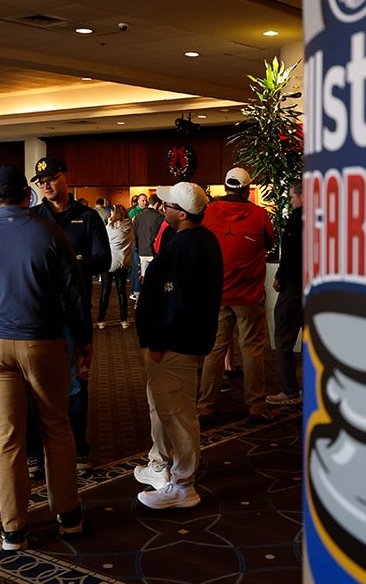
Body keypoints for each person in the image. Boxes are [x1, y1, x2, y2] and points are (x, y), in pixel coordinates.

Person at [0, 165, 89, 551]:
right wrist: (83, 340)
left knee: (6, 438)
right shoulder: (50, 232)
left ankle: (13, 527)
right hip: (43, 342)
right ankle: (68, 514)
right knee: (57, 428)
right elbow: (74, 293)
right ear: (27, 197)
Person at [134, 182, 223, 509]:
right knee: (167, 409)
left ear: (182, 213)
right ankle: (168, 471)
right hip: (180, 343)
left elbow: (174, 302)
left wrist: (157, 343)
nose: (161, 206)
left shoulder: (187, 246)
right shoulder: (198, 240)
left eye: (167, 204)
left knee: (179, 414)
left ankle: (183, 485)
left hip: (174, 345)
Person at [27, 156, 110, 477]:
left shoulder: (87, 217)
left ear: (65, 178)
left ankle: (78, 447)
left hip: (74, 313)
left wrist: (71, 265)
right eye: (40, 181)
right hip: (38, 314)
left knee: (77, 385)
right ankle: (35, 450)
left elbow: (103, 260)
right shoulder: (33, 217)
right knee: (34, 385)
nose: (46, 185)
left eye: (51, 178)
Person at [196, 168, 276, 422]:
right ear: (246, 190)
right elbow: (269, 244)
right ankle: (256, 406)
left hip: (215, 294)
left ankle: (205, 405)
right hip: (249, 295)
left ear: (225, 187)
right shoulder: (259, 215)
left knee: (214, 350)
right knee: (252, 349)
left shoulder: (207, 213)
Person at [267, 180, 304, 406]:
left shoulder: (296, 220)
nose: (290, 202)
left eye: (292, 197)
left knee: (283, 339)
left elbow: (290, 254)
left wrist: (279, 276)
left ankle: (289, 390)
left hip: (293, 286)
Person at [97, 204, 134, 329]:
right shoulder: (129, 227)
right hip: (124, 263)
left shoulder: (111, 228)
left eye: (112, 213)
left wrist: (108, 224)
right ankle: (124, 320)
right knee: (122, 292)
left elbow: (103, 241)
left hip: (110, 263)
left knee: (105, 291)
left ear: (115, 214)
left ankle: (101, 320)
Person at [131, 193, 165, 302]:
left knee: (142, 278)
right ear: (157, 204)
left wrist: (136, 249)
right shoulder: (160, 218)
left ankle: (139, 299)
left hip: (141, 251)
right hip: (154, 252)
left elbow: (134, 235)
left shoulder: (138, 217)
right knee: (155, 278)